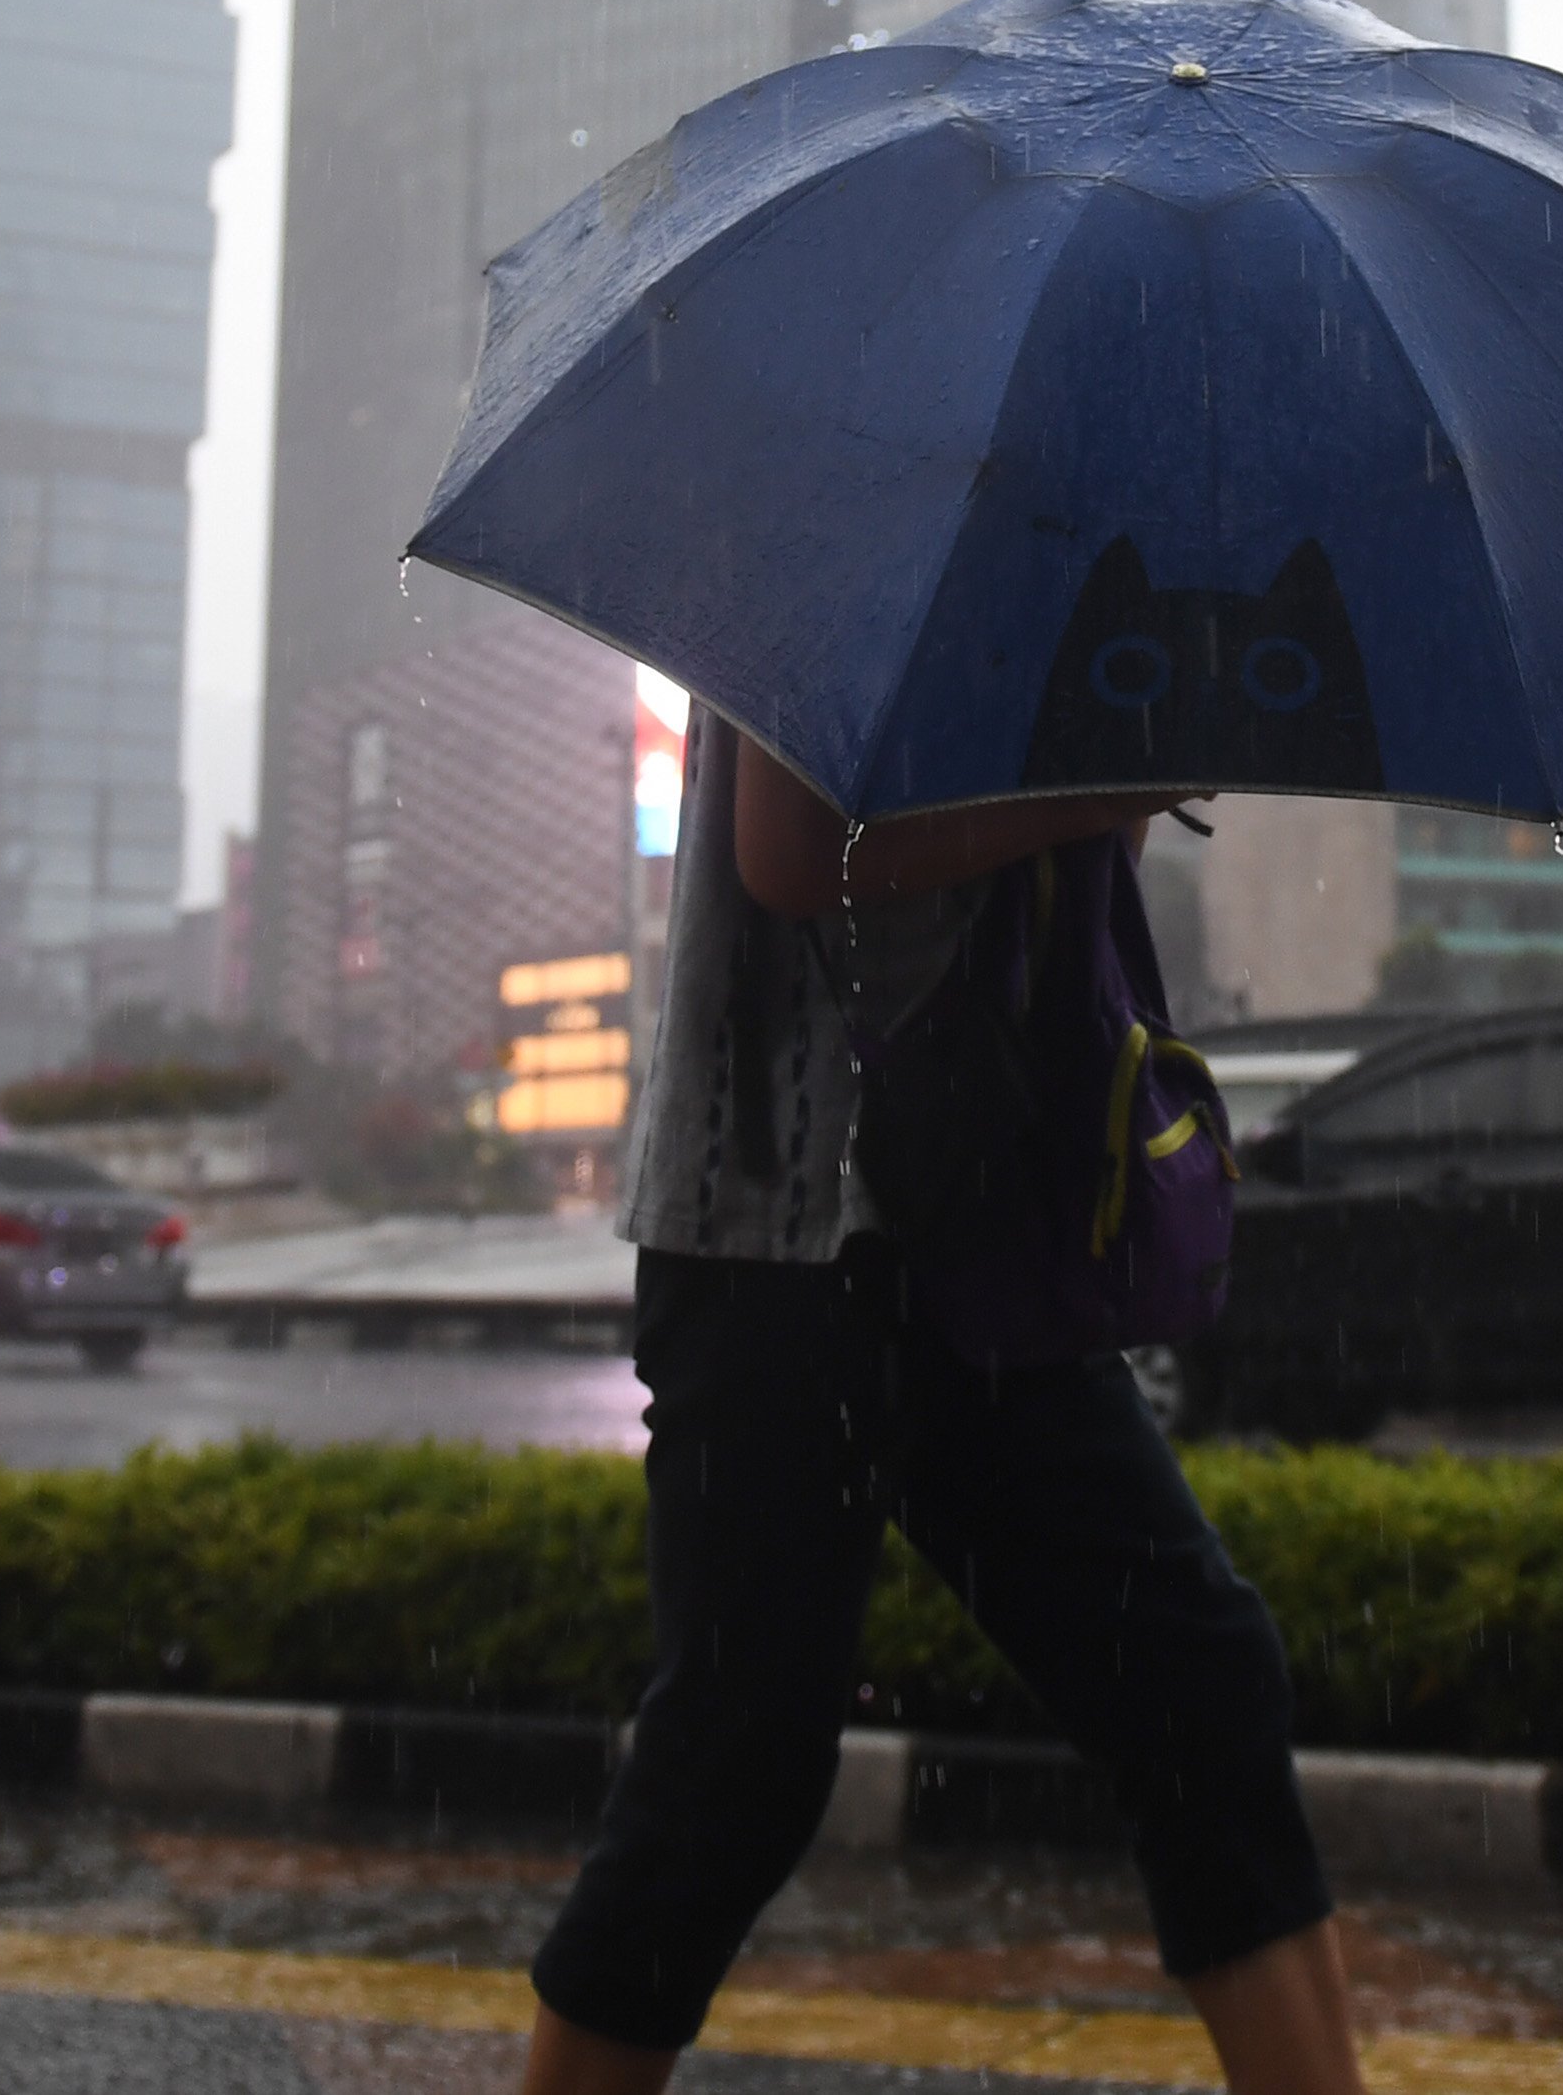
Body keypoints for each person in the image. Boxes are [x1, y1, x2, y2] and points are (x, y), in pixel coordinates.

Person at [517, 710, 1362, 2095]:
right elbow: (790, 853)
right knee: (736, 1765)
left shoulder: (1068, 559)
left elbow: (1060, 877)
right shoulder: (815, 500)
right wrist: (1108, 777)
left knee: (1195, 1682)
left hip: (980, 1226)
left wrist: (1128, 772)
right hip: (772, 1233)